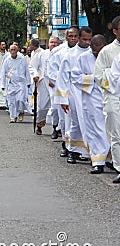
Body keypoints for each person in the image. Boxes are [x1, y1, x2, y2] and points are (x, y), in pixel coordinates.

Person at [71, 34, 110, 174]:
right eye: (93, 51)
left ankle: (111, 159)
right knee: (94, 129)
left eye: (98, 51)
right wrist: (93, 78)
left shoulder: (111, 56)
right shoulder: (83, 58)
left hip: (108, 97)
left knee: (110, 129)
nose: (96, 54)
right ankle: (98, 160)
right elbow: (75, 76)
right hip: (92, 98)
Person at [55, 26, 92, 164]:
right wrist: (63, 99)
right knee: (74, 123)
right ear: (79, 38)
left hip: (90, 95)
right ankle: (72, 150)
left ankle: (86, 151)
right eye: (84, 39)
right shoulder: (69, 55)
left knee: (89, 123)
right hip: (73, 93)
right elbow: (62, 78)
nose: (87, 42)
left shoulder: (93, 53)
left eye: (89, 39)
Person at [94, 16, 120, 183]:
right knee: (117, 133)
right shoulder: (107, 51)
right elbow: (98, 76)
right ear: (115, 31)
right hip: (113, 97)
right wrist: (113, 77)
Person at [47, 26, 79, 157]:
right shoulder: (58, 52)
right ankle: (67, 145)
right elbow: (52, 70)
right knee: (65, 119)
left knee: (79, 120)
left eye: (75, 36)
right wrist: (63, 82)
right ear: (66, 37)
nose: (73, 38)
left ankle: (79, 148)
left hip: (79, 91)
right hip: (63, 90)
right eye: (70, 36)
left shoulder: (84, 51)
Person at [30, 38, 59, 135]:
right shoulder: (42, 54)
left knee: (56, 106)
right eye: (52, 42)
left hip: (58, 83)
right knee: (42, 106)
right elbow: (32, 66)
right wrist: (35, 75)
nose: (54, 44)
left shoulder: (63, 53)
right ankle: (39, 124)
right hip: (44, 82)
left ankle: (57, 128)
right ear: (48, 44)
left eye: (56, 43)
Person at [0, 45, 31, 122]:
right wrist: (2, 85)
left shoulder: (22, 59)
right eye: (11, 50)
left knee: (20, 100)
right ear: (9, 51)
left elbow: (27, 70)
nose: (13, 51)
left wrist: (28, 81)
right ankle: (13, 116)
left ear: (17, 50)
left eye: (14, 49)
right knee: (11, 101)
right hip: (11, 83)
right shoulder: (7, 60)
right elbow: (3, 73)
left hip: (21, 83)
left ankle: (21, 112)